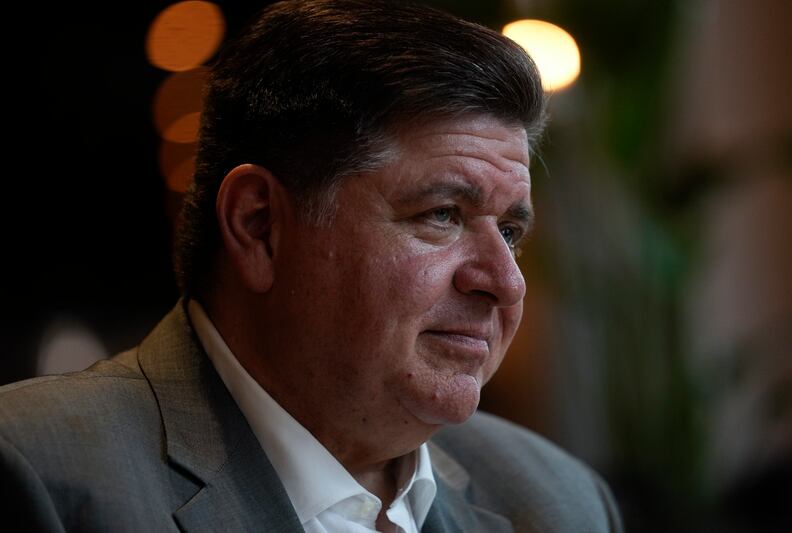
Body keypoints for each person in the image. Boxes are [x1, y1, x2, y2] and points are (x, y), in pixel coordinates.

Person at [0, 1, 623, 531]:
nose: (505, 281)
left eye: (510, 232)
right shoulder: (38, 474)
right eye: (441, 214)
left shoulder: (561, 501)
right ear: (260, 226)